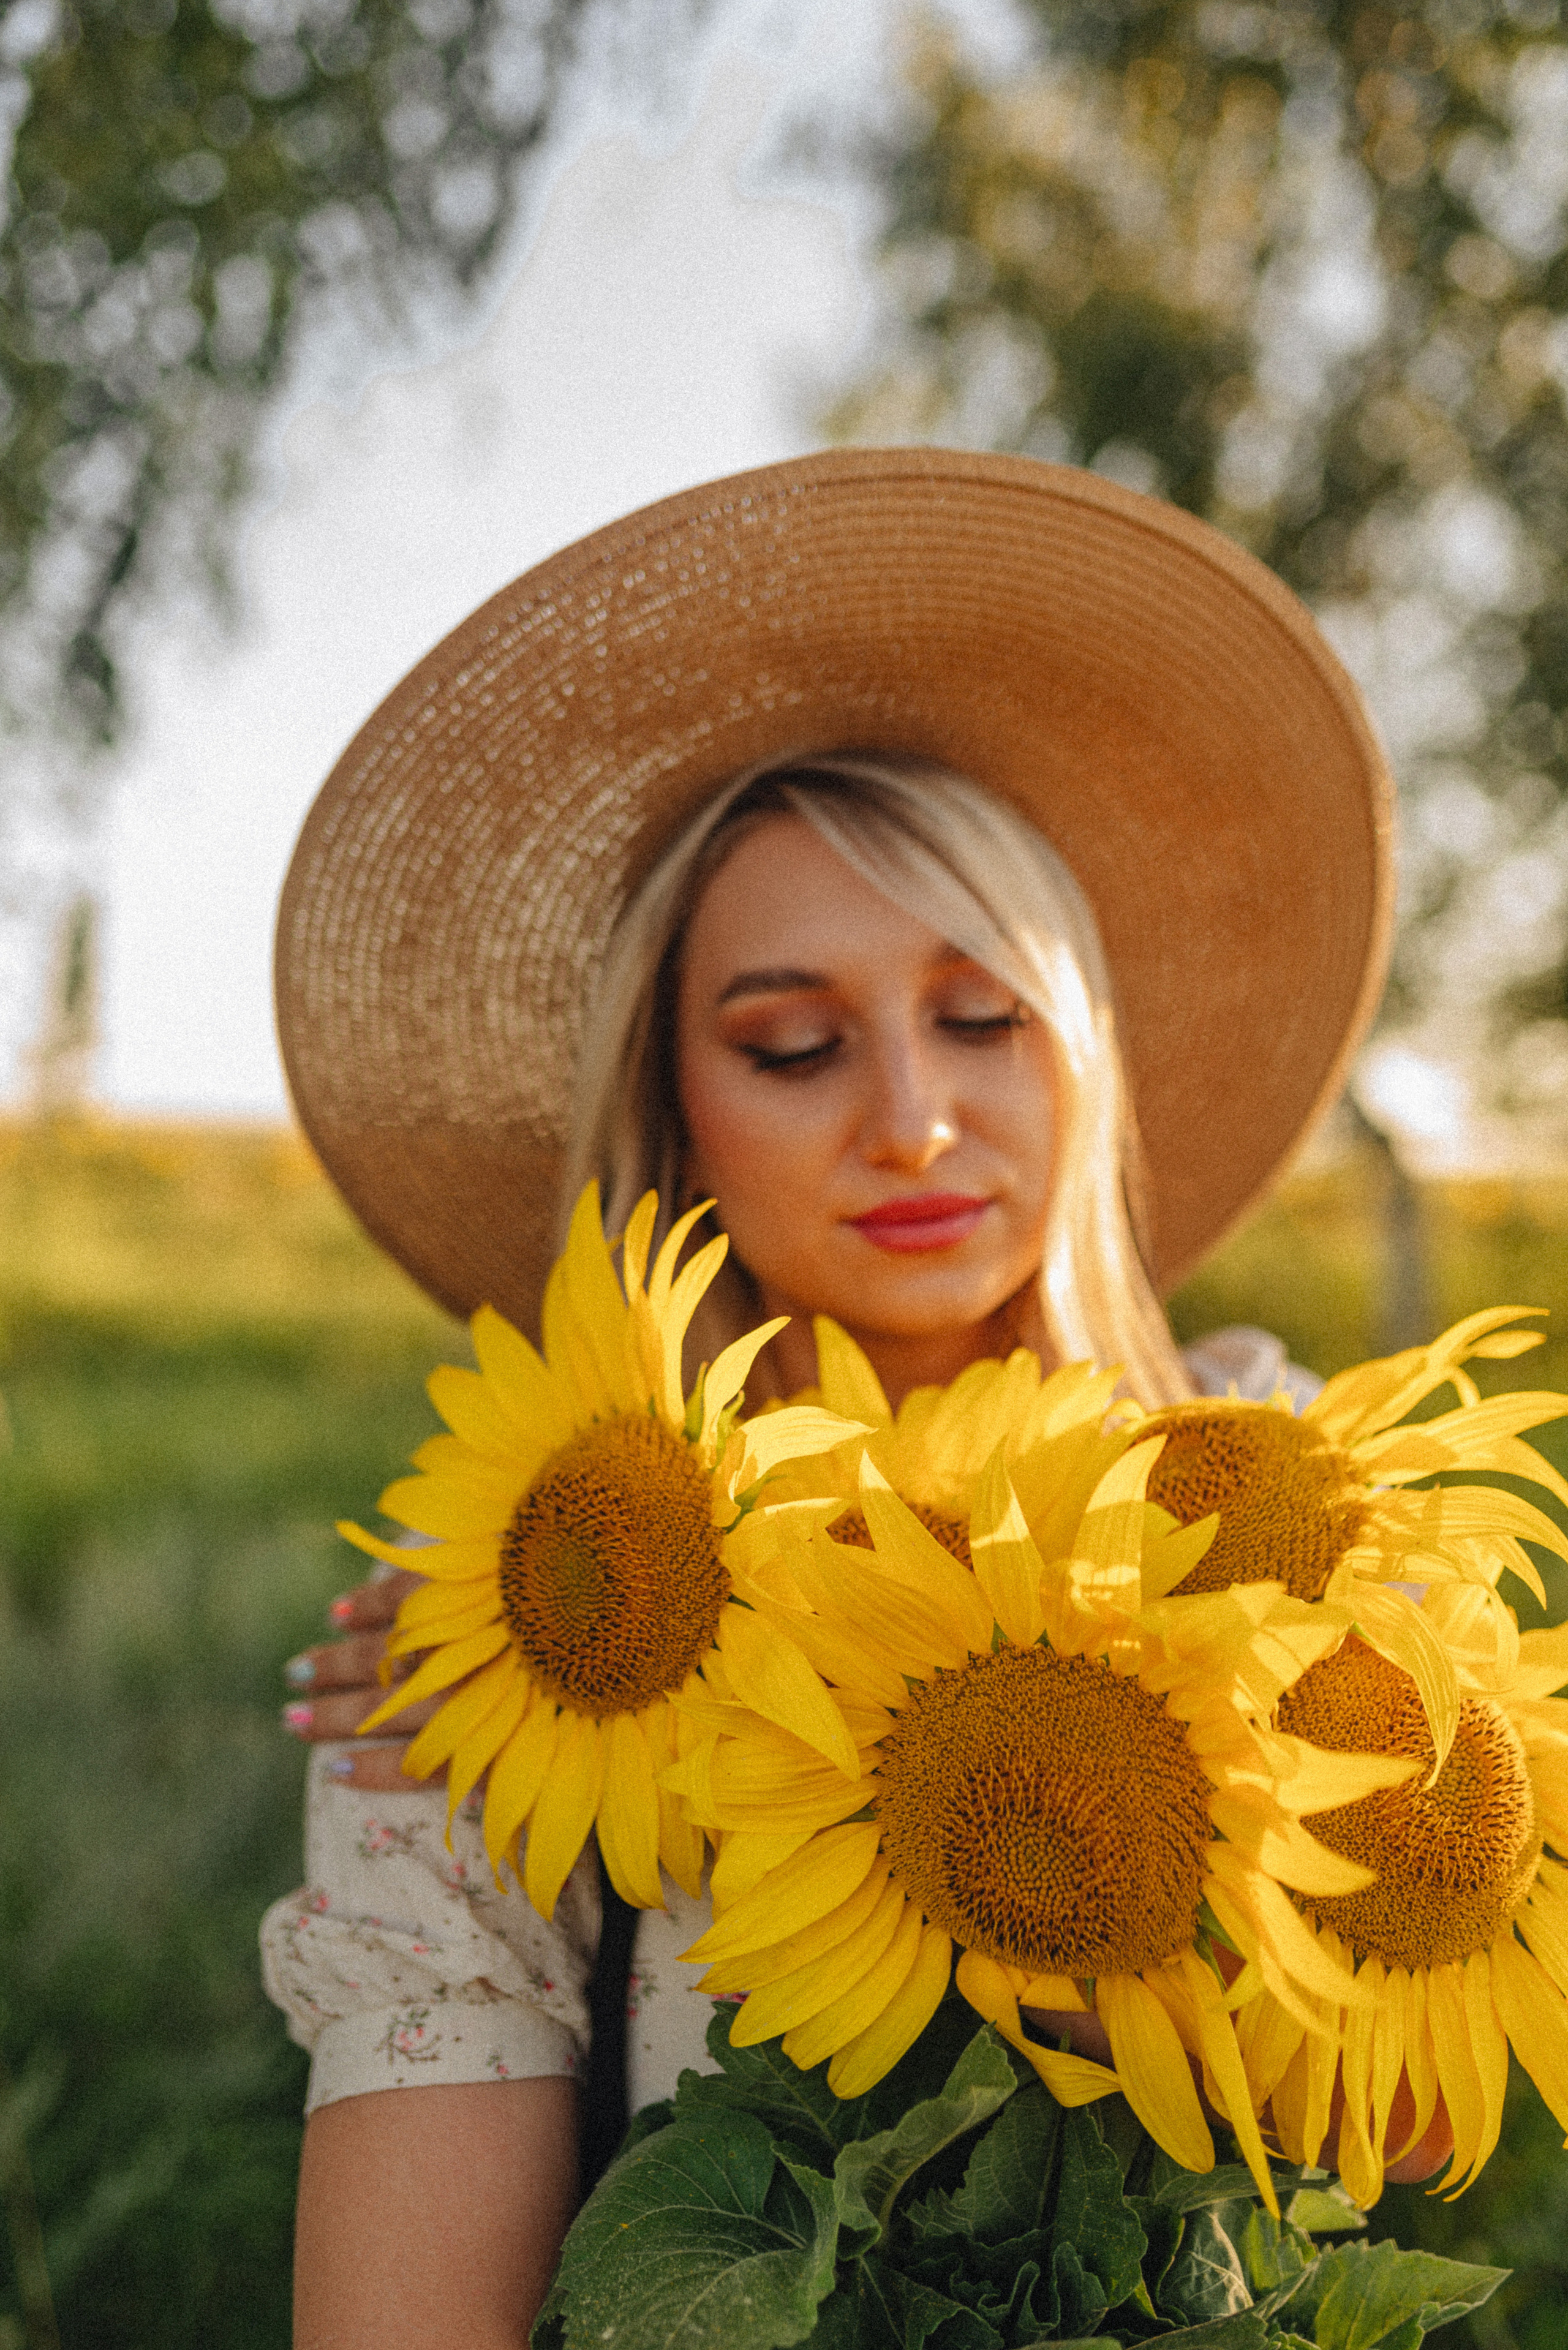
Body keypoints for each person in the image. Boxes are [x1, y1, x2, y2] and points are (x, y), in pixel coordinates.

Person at [260, 450, 1413, 2349]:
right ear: (676, 1114)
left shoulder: (1282, 1488)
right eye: (793, 1044)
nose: (914, 1121)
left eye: (983, 1018)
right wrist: (571, 1664)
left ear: (1087, 1062)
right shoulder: (500, 1629)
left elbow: (1413, 2126)